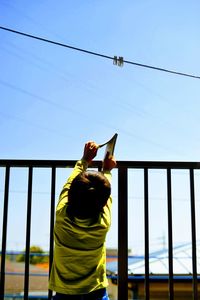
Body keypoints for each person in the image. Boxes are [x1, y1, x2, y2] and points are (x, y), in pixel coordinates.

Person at [49, 141, 117, 300]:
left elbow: (69, 184)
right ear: (103, 203)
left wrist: (84, 160)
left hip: (64, 291)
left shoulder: (61, 214)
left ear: (70, 196)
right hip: (95, 289)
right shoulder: (103, 223)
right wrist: (107, 170)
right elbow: (105, 196)